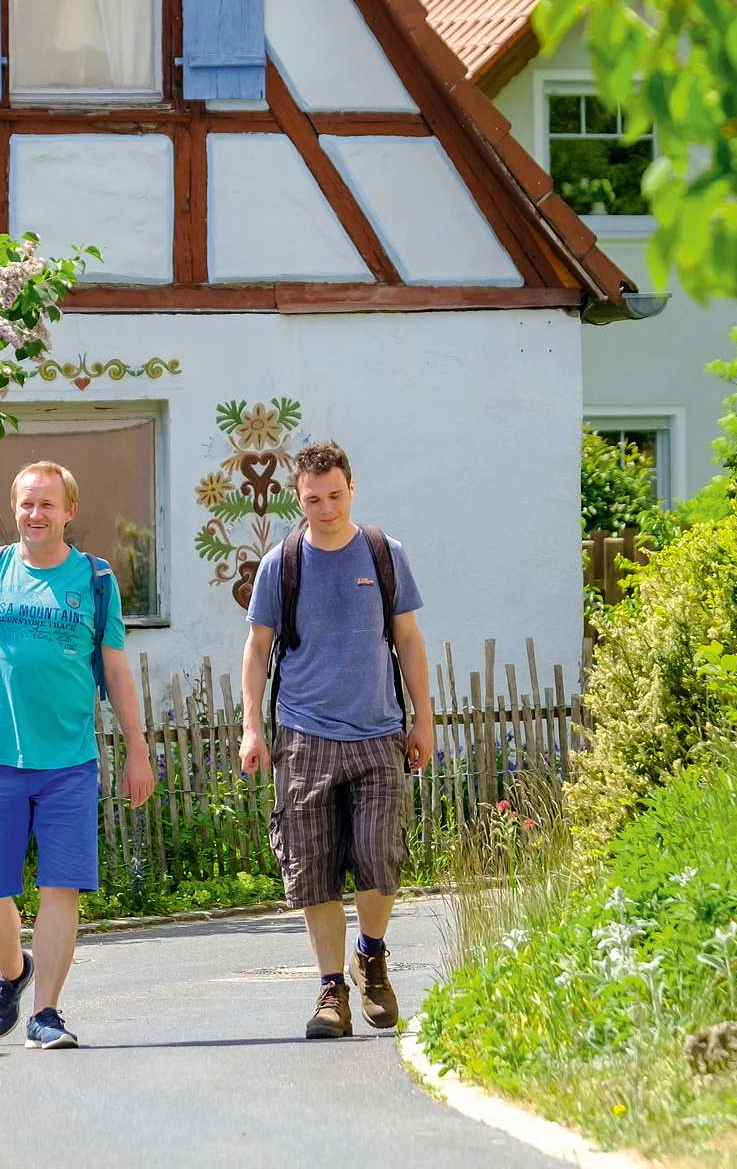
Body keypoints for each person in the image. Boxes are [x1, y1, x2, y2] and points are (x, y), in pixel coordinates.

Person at [0, 462, 156, 1050]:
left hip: (69, 764)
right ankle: (13, 970)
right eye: (27, 503)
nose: (36, 514)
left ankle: (46, 1013)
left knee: (60, 888)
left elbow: (116, 670)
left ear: (69, 511)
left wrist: (137, 748)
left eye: (48, 504)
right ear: (14, 507)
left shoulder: (95, 580)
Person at [238, 442, 433, 1039]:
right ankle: (331, 992)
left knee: (380, 859)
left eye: (335, 495)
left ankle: (370, 956)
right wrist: (252, 727)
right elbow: (257, 648)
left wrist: (423, 719)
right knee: (313, 869)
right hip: (304, 737)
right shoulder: (282, 563)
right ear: (298, 498)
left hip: (378, 733)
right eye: (313, 499)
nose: (326, 508)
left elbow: (408, 639)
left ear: (352, 489)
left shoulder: (383, 554)